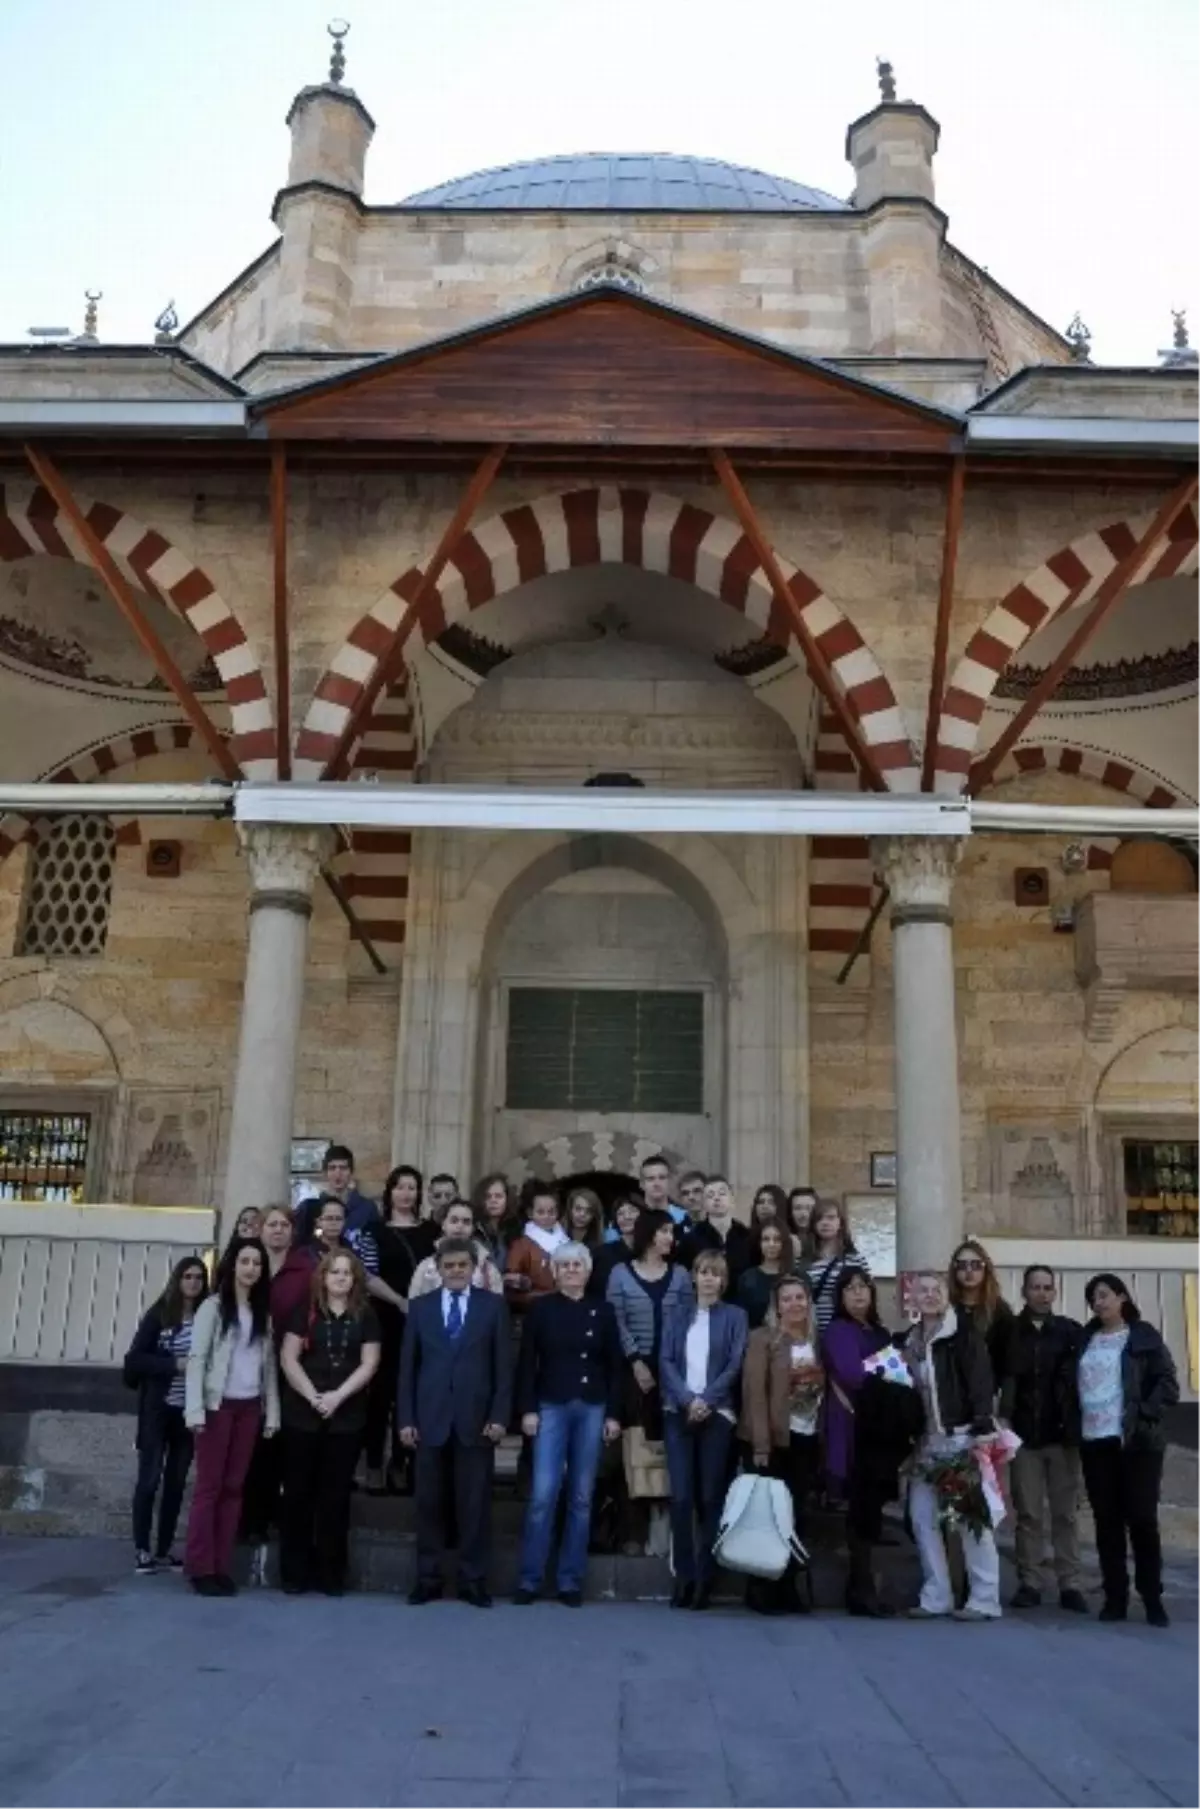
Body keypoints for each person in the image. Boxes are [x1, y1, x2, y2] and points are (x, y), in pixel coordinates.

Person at [397, 1237, 513, 1607]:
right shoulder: (420, 1308)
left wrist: (499, 1417)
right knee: (429, 1503)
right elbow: (407, 1370)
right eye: (449, 1266)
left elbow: (504, 1369)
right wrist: (406, 1419)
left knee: (475, 1504)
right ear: (439, 1269)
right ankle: (428, 1578)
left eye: (463, 1265)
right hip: (429, 1418)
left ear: (475, 1268)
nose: (456, 1271)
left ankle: (473, 1579)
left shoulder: (493, 1307)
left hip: (476, 1421)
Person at [513, 1242, 623, 1605]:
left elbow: (615, 1365)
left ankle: (569, 1580)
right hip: (551, 1406)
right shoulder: (541, 1310)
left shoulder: (603, 1311)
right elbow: (527, 1361)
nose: (572, 1270)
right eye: (565, 1265)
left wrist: (614, 1414)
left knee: (580, 1496)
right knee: (544, 1494)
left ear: (588, 1271)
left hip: (592, 1407)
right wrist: (527, 1410)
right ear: (555, 1272)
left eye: (578, 1264)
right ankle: (529, 1579)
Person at [1078, 1272, 1179, 1627]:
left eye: (1105, 1295)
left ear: (1122, 1297)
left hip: (1136, 1443)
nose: (1099, 1302)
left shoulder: (1143, 1336)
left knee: (1141, 1519)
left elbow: (1168, 1385)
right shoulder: (1085, 1339)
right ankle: (1115, 1597)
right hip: (1095, 1441)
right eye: (1094, 1298)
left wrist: (1141, 1413)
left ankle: (1152, 1597)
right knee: (1107, 1522)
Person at [278, 1249, 381, 1595]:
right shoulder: (304, 1311)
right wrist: (313, 1396)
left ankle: (330, 1574)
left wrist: (337, 1396)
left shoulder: (366, 1315)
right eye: (334, 1272)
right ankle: (295, 1573)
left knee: (335, 1497)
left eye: (347, 1273)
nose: (340, 1277)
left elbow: (369, 1364)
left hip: (346, 1417)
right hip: (302, 1414)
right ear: (322, 1276)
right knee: (298, 1495)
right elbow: (288, 1358)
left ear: (355, 1279)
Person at [184, 1238, 280, 1597]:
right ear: (232, 1265)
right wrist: (194, 1409)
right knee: (209, 1488)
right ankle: (200, 1566)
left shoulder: (262, 1312)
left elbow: (267, 1366)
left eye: (257, 1262)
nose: (251, 1268)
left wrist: (272, 1413)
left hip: (249, 1407)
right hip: (216, 1406)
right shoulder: (213, 1307)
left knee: (234, 1488)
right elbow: (197, 1359)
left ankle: (221, 1566)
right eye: (245, 1261)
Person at [903, 1269, 1000, 1622]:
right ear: (911, 1297)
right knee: (922, 1518)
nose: (929, 1295)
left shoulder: (962, 1335)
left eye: (935, 1289)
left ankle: (985, 1598)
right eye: (922, 1290)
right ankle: (936, 1596)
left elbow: (980, 1382)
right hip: (926, 1442)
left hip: (959, 1437)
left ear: (947, 1295)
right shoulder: (911, 1339)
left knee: (970, 1521)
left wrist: (982, 1430)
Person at [822, 1268, 919, 1616]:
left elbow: (897, 1374)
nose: (859, 1294)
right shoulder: (838, 1330)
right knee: (859, 1507)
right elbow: (852, 1375)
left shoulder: (879, 1332)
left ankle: (864, 1588)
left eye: (864, 1288)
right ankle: (860, 1589)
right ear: (840, 1296)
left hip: (880, 1432)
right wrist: (889, 1379)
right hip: (852, 1427)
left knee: (871, 1507)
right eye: (850, 1289)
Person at [659, 1252, 748, 1609]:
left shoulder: (735, 1316)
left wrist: (706, 1400)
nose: (709, 1279)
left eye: (716, 1274)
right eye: (703, 1272)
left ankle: (705, 1579)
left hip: (718, 1413)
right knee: (681, 1498)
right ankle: (684, 1576)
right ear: (693, 1277)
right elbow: (664, 1359)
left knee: (710, 1497)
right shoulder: (676, 1314)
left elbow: (734, 1363)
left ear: (724, 1280)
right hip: (677, 1412)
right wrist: (686, 1400)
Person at [1000, 1265, 1088, 1614]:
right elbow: (1005, 1379)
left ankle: (1070, 1583)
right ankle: (1030, 1581)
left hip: (1063, 1435)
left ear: (1055, 1292)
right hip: (1024, 1436)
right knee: (1029, 1514)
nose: (1041, 1293)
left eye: (1047, 1287)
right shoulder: (1011, 1333)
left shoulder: (1070, 1332)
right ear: (1024, 1292)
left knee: (1065, 1515)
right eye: (1035, 1287)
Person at [740, 1274, 824, 1614]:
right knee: (767, 1518)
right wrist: (761, 1445)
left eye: (800, 1298)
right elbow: (754, 1395)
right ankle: (761, 1591)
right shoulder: (764, 1339)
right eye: (787, 1299)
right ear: (776, 1306)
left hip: (805, 1439)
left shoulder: (816, 1341)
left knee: (796, 1518)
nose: (794, 1304)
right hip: (772, 1441)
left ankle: (788, 1587)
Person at [123, 1255, 210, 1576]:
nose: (193, 1282)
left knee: (176, 1481)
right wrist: (174, 1365)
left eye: (199, 1277)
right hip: (157, 1411)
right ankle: (142, 1548)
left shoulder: (206, 1316)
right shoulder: (159, 1315)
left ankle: (163, 1549)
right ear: (177, 1280)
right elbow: (133, 1361)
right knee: (150, 1479)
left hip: (188, 1413)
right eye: (187, 1276)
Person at [241, 1204, 312, 1577]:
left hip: (293, 1366)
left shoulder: (305, 1268)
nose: (278, 1231)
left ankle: (279, 1518)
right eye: (272, 1225)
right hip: (251, 1368)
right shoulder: (247, 1262)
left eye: (285, 1225)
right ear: (261, 1228)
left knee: (284, 1447)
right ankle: (251, 1520)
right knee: (253, 1448)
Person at [363, 1166, 425, 1493]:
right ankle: (374, 1462)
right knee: (380, 1393)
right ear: (390, 1192)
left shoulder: (431, 1231)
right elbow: (367, 1274)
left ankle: (400, 1462)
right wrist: (400, 1301)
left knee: (410, 1394)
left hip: (421, 1323)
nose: (405, 1193)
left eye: (412, 1187)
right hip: (385, 1318)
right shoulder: (374, 1230)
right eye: (399, 1187)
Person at [606, 1209, 695, 1440]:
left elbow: (688, 1319)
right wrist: (635, 1361)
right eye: (664, 1231)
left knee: (672, 1437)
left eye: (672, 1232)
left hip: (674, 1368)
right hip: (634, 1369)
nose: (670, 1238)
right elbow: (616, 1320)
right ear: (648, 1233)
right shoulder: (620, 1273)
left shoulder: (681, 1274)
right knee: (638, 1439)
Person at [949, 1238, 1014, 1391]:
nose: (969, 1271)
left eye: (976, 1265)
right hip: (952, 1397)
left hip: (987, 1396)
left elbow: (1009, 1366)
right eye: (963, 1265)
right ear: (954, 1269)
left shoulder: (1000, 1312)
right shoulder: (946, 1309)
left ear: (986, 1269)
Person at [802, 1198, 868, 1337]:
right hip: (812, 1330)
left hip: (847, 1329)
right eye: (819, 1219)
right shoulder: (804, 1261)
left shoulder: (854, 1259)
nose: (825, 1223)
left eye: (831, 1218)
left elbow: (868, 1294)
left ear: (840, 1223)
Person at [409, 1200, 504, 1297]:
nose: (460, 1226)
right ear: (443, 1225)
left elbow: (497, 1306)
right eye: (454, 1221)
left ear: (473, 1228)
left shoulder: (488, 1270)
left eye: (466, 1222)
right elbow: (415, 1305)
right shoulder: (426, 1267)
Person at [293, 1144, 380, 1246]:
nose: (338, 1174)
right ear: (325, 1173)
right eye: (332, 1168)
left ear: (351, 1172)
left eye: (343, 1168)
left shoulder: (366, 1208)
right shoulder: (309, 1208)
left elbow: (375, 1244)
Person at [504, 1183, 569, 1312]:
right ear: (530, 1213)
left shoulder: (566, 1239)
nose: (547, 1216)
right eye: (541, 1212)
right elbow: (511, 1286)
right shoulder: (521, 1245)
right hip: (535, 1309)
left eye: (551, 1212)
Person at [680, 1176, 752, 1283]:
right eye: (710, 1195)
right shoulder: (692, 1238)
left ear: (732, 1198)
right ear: (704, 1203)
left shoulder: (746, 1236)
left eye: (722, 1193)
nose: (716, 1198)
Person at [736, 1216, 798, 1329]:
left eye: (777, 1239)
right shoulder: (748, 1278)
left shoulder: (797, 1276)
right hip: (757, 1340)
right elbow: (742, 1319)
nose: (771, 1244)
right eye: (766, 1239)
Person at [592, 1194, 642, 1296]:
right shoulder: (602, 1254)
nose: (627, 1217)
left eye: (632, 1211)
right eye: (620, 1214)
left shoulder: (653, 1252)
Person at [473, 1172, 519, 1270]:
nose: (493, 1201)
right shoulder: (473, 1230)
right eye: (487, 1196)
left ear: (507, 1199)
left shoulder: (516, 1230)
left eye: (498, 1196)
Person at [639, 1154, 688, 1227]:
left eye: (662, 1178)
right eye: (651, 1179)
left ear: (670, 1181)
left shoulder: (683, 1218)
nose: (657, 1183)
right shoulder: (632, 1218)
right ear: (642, 1184)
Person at [563, 1185, 605, 1252]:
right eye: (578, 1209)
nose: (582, 1214)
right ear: (570, 1209)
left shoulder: (599, 1240)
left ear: (594, 1215)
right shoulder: (558, 1231)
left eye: (589, 1211)